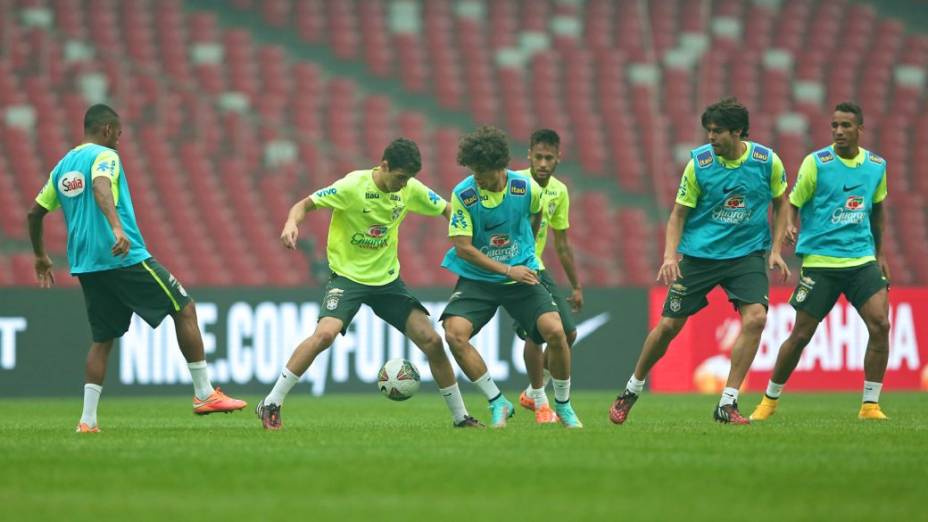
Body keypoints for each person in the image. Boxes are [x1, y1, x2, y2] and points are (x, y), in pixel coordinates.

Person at [26, 104, 246, 433]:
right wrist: (116, 228)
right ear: (106, 130)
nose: (120, 139)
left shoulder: (62, 167)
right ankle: (204, 394)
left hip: (86, 264)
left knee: (103, 339)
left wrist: (41, 256)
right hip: (122, 257)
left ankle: (87, 421)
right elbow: (101, 186)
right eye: (118, 133)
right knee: (184, 306)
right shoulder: (104, 156)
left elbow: (34, 214)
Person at [256, 138, 482, 429]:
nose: (404, 185)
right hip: (348, 278)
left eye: (409, 179)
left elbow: (447, 209)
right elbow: (304, 204)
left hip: (387, 283)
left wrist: (469, 230)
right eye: (400, 177)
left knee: (433, 342)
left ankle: (460, 417)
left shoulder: (408, 189)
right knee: (324, 335)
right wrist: (291, 223)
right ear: (384, 165)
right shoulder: (352, 187)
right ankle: (272, 402)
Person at [608, 97, 790, 425]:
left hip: (746, 254)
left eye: (717, 131)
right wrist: (669, 255)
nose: (710, 137)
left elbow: (782, 203)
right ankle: (631, 390)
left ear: (738, 133)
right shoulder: (699, 165)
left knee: (756, 319)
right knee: (667, 327)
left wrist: (776, 248)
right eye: (708, 131)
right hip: (700, 256)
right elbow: (678, 215)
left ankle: (728, 403)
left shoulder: (767, 162)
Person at [750, 102, 891, 421]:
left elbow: (878, 211)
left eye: (845, 126)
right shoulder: (816, 163)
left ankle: (870, 405)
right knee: (801, 335)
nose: (839, 131)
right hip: (821, 262)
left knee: (881, 324)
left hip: (861, 260)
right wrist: (787, 224)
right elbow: (792, 202)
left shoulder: (876, 166)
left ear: (860, 130)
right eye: (834, 126)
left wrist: (880, 254)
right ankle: (769, 400)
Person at [440, 126, 583, 428]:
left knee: (558, 333)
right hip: (479, 278)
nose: (477, 177)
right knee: (454, 334)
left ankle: (564, 405)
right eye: (474, 169)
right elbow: (463, 248)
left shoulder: (524, 188)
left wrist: (525, 252)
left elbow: (536, 213)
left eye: (484, 171)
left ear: (500, 167)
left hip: (522, 275)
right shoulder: (464, 193)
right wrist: (508, 269)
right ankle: (498, 401)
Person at [511, 129, 583, 424]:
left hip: (537, 266)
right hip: (513, 269)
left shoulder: (559, 191)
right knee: (536, 333)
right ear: (528, 155)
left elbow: (562, 243)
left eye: (548, 158)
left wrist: (576, 285)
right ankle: (541, 402)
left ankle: (531, 392)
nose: (542, 163)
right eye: (538, 157)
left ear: (558, 159)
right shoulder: (514, 182)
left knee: (568, 333)